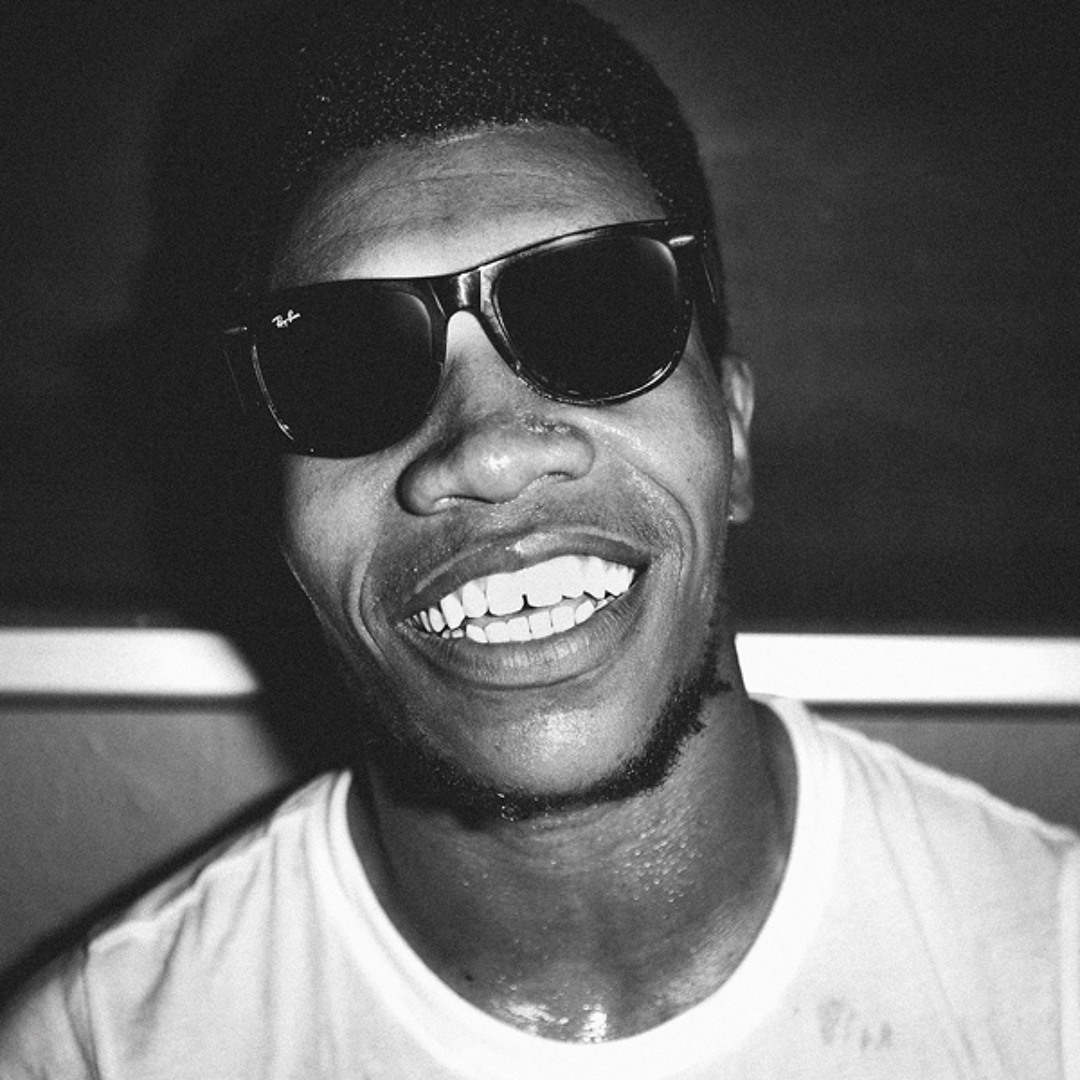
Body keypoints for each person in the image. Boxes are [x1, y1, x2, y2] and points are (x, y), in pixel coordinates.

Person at [1, 0, 1077, 1075]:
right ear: (271, 520)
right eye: (344, 367)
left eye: (594, 314)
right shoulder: (100, 1052)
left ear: (735, 436)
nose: (489, 453)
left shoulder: (1053, 979)